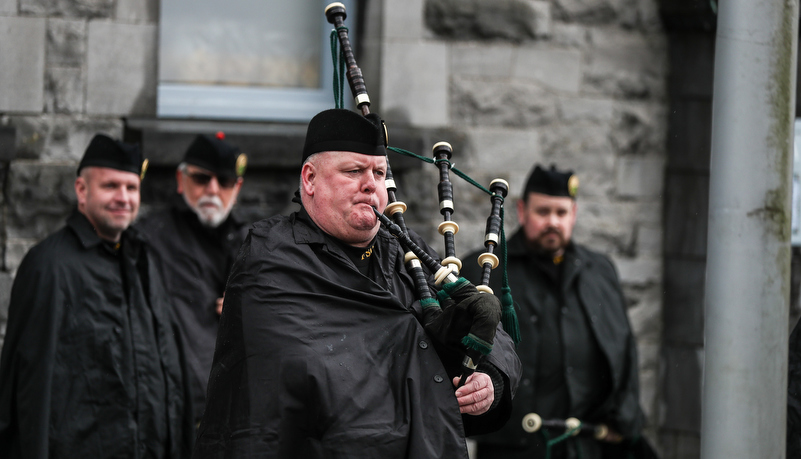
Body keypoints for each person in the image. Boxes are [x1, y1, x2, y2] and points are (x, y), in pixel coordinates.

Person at [193, 108, 521, 458]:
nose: (371, 184)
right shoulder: (272, 255)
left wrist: (487, 380)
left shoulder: (407, 251)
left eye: (379, 173)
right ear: (310, 179)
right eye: (354, 171)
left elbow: (490, 337)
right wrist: (419, 344)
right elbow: (301, 381)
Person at [0, 134, 193, 458]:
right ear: (81, 190)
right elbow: (29, 392)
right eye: (110, 186)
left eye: (131, 188)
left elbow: (170, 372)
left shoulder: (145, 260)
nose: (123, 197)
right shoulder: (49, 266)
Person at [461, 165, 654, 459]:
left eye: (561, 213)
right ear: (522, 211)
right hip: (513, 448)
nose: (553, 221)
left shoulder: (599, 271)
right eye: (543, 212)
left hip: (586, 445)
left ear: (574, 214)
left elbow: (624, 348)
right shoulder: (484, 270)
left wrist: (624, 420)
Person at [137, 132, 249, 426]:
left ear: (236, 188)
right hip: (176, 414)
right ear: (181, 179)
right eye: (201, 179)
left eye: (224, 182)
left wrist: (256, 309)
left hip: (242, 415)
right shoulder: (148, 239)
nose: (212, 189)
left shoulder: (257, 242)